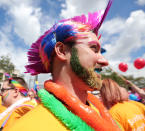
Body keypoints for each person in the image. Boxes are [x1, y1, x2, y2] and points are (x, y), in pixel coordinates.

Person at [10, 0, 120, 130]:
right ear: (61, 51)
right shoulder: (28, 127)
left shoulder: (102, 114)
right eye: (93, 49)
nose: (104, 61)